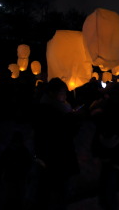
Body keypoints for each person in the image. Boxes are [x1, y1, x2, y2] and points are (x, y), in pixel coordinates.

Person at [31, 77, 81, 210]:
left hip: (56, 158)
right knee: (54, 194)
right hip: (54, 159)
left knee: (55, 194)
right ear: (52, 93)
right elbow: (61, 134)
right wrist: (72, 119)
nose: (65, 95)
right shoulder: (49, 111)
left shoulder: (59, 109)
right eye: (62, 92)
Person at [90, 82, 119, 210]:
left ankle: (108, 203)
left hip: (114, 150)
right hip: (114, 149)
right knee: (108, 180)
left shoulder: (113, 109)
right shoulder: (113, 108)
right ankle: (108, 203)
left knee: (109, 180)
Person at [0, 131, 33, 210]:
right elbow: (1, 165)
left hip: (19, 179)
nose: (17, 143)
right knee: (11, 199)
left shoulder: (23, 151)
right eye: (16, 141)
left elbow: (29, 165)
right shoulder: (9, 151)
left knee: (17, 199)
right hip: (12, 179)